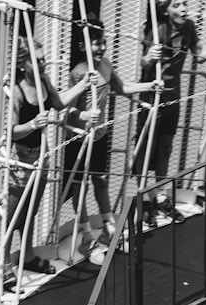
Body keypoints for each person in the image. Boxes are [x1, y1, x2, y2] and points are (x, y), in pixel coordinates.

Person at [62, 18, 158, 264]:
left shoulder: (105, 65)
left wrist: (151, 85)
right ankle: (86, 236)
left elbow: (123, 86)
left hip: (100, 134)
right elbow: (66, 110)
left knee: (101, 181)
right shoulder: (79, 73)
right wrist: (83, 114)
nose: (102, 47)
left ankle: (108, 227)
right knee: (80, 188)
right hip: (79, 138)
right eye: (96, 43)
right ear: (84, 47)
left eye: (104, 42)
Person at [135, 0, 206, 224]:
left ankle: (160, 197)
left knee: (166, 148)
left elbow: (199, 55)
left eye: (184, 4)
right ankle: (146, 199)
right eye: (177, 5)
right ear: (165, 10)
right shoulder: (156, 29)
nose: (183, 9)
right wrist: (150, 57)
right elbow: (143, 63)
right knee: (145, 150)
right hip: (153, 97)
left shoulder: (188, 27)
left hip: (173, 97)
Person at [4, 37, 93, 279]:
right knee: (12, 215)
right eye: (37, 60)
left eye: (43, 59)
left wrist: (83, 84)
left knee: (31, 210)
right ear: (24, 64)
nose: (43, 64)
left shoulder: (43, 80)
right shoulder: (17, 91)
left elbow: (58, 102)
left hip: (42, 156)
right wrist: (33, 123)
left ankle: (28, 255)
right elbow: (10, 131)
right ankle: (3, 268)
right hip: (21, 162)